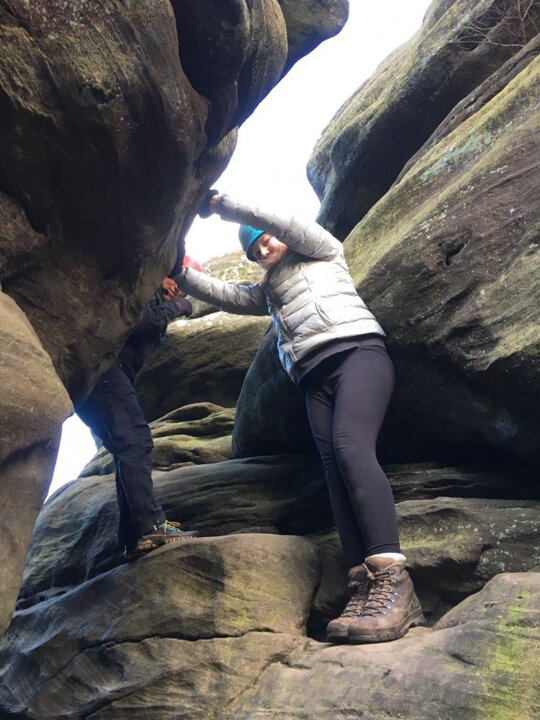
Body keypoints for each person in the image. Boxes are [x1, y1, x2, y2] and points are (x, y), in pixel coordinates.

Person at [176, 191, 425, 644]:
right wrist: (180, 272)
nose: (263, 248)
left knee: (350, 449)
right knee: (334, 472)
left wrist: (224, 207)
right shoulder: (269, 292)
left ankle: (394, 580)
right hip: (314, 380)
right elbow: (227, 295)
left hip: (357, 353)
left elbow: (283, 221)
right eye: (255, 249)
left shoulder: (321, 250)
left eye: (265, 239)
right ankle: (363, 585)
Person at [78, 273, 199, 561]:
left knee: (126, 449)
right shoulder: (143, 291)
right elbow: (134, 319)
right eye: (172, 280)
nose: (176, 288)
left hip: (99, 378)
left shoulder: (157, 305)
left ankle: (132, 537)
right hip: (106, 370)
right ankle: (151, 527)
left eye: (182, 288)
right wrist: (178, 307)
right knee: (135, 442)